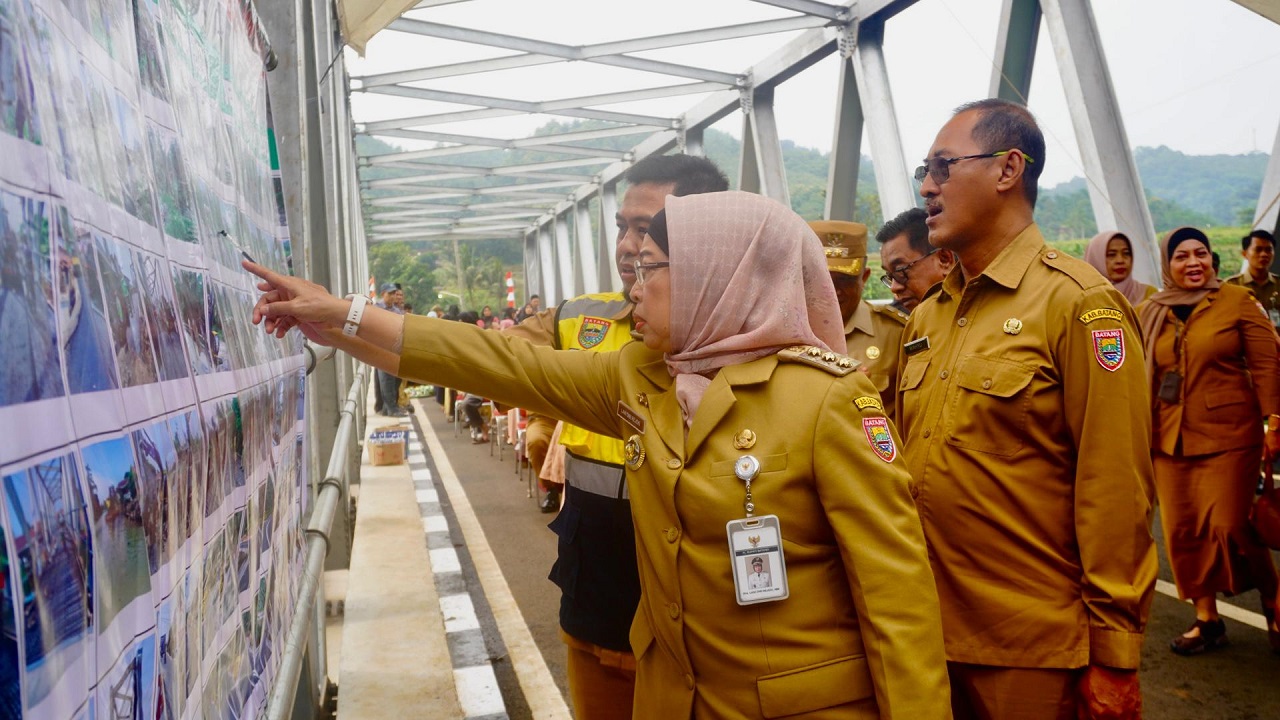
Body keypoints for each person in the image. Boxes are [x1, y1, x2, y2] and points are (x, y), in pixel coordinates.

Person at [244, 190, 951, 719]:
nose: (633, 286)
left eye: (653, 268)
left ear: (719, 276)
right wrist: (341, 318)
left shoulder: (828, 401)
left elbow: (899, 608)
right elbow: (495, 364)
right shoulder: (639, 377)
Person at [901, 98, 1156, 719]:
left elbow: (1114, 486)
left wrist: (1114, 652)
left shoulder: (1078, 304)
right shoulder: (930, 314)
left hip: (1027, 651)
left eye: (942, 166)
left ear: (1008, 168)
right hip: (919, 634)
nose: (927, 186)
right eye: (923, 171)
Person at [503, 153, 728, 719]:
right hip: (596, 567)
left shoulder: (746, 335)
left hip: (697, 585)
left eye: (645, 230)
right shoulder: (576, 319)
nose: (628, 245)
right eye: (622, 228)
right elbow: (490, 361)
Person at [1136, 226, 1280, 655]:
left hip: (1230, 434)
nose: (1193, 262)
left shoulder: (1236, 301)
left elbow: (1268, 362)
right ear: (1168, 264)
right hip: (1168, 438)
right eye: (1181, 256)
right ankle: (1207, 619)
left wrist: (1275, 421)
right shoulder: (1151, 310)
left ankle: (1274, 600)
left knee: (1230, 524)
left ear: (1213, 260)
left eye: (1201, 253)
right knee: (1182, 532)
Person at [809, 220, 906, 418]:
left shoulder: (895, 333)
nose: (834, 291)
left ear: (865, 277)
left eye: (845, 280)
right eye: (825, 279)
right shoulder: (786, 331)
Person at [875, 207, 955, 315]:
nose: (894, 288)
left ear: (944, 260)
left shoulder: (982, 316)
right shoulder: (907, 328)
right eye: (890, 277)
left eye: (900, 271)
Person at [1225, 229, 1280, 330]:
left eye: (1268, 250)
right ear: (1245, 254)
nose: (1264, 254)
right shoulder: (1231, 285)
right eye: (1258, 249)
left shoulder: (1278, 284)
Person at [1084, 230, 1157, 307]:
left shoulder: (1149, 294)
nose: (1120, 260)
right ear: (1095, 259)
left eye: (1126, 253)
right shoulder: (1085, 300)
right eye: (1111, 255)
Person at [374, 283, 408, 416]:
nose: (394, 296)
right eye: (390, 294)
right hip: (382, 348)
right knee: (385, 379)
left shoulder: (397, 311)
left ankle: (389, 407)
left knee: (395, 378)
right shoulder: (376, 309)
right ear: (383, 294)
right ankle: (391, 408)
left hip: (395, 349)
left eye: (395, 293)